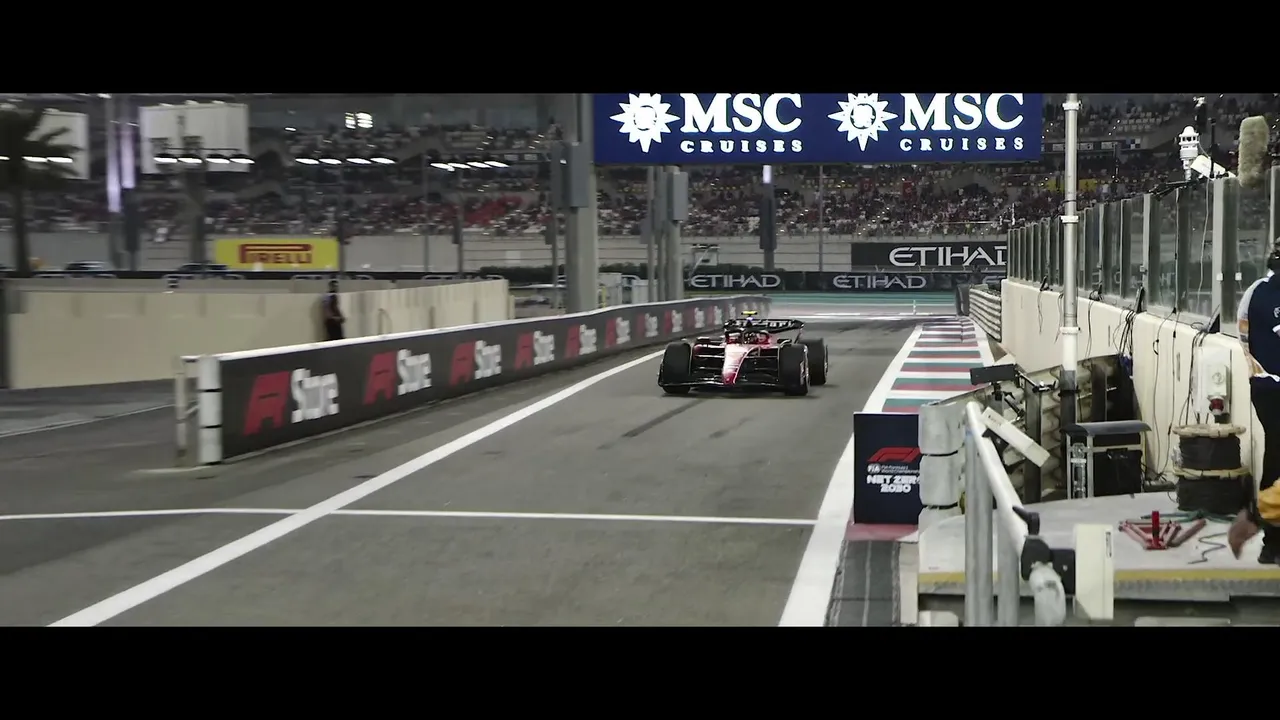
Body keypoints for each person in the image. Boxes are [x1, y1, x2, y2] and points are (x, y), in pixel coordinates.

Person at [1237, 240, 1280, 564]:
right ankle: (1272, 541)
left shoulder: (1254, 291)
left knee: (1275, 456)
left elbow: (1245, 341)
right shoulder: (1262, 294)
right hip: (1271, 388)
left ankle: (1271, 541)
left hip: (1264, 386)